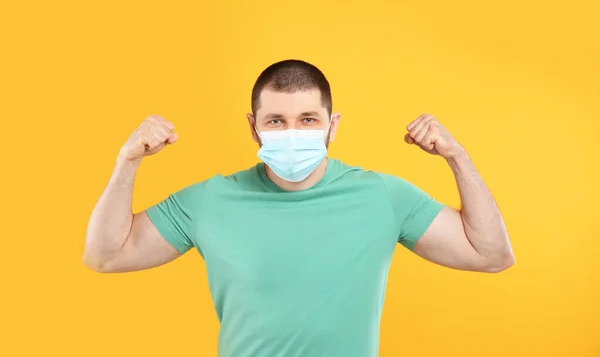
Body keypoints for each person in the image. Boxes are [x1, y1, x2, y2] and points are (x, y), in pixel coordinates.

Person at [83, 59, 515, 357]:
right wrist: (128, 161)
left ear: (332, 126)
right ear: (254, 128)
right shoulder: (210, 200)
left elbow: (491, 255)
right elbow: (105, 255)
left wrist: (458, 158)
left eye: (308, 119)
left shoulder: (381, 196)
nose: (293, 132)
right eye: (276, 121)